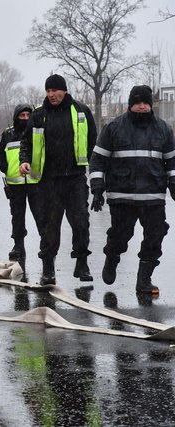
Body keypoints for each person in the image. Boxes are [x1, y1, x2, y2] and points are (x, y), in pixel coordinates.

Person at [89, 85, 175, 295]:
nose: (141, 107)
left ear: (151, 105)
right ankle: (112, 257)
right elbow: (98, 160)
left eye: (145, 103)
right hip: (122, 197)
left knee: (155, 237)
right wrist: (97, 189)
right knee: (120, 236)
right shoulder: (114, 128)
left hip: (153, 197)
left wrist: (174, 184)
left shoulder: (164, 130)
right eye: (137, 103)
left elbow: (172, 163)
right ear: (130, 105)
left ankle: (144, 280)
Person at [19, 74, 97, 285]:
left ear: (64, 90)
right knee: (49, 227)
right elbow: (26, 143)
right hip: (48, 181)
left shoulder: (81, 111)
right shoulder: (39, 115)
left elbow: (92, 139)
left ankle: (82, 264)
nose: (51, 95)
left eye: (55, 90)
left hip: (75, 179)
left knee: (81, 223)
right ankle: (48, 269)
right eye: (48, 91)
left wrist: (89, 163)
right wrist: (24, 161)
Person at [0, 104, 42, 265]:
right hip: (15, 183)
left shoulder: (37, 133)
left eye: (28, 115)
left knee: (42, 217)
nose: (26, 119)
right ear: (16, 117)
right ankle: (18, 246)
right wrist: (6, 169)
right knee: (17, 217)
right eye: (22, 116)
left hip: (36, 181)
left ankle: (46, 246)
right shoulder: (7, 134)